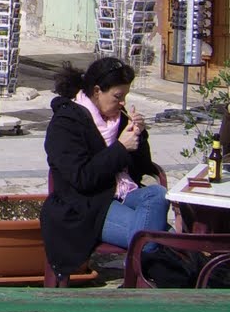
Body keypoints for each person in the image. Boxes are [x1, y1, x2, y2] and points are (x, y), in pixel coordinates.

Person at [40, 57, 170, 282]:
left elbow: (141, 169)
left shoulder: (118, 120)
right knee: (164, 237)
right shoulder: (66, 123)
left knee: (157, 194)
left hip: (122, 194)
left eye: (125, 97)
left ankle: (138, 273)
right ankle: (142, 277)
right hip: (85, 205)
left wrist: (139, 135)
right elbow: (82, 178)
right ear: (97, 91)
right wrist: (120, 148)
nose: (122, 104)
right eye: (117, 97)